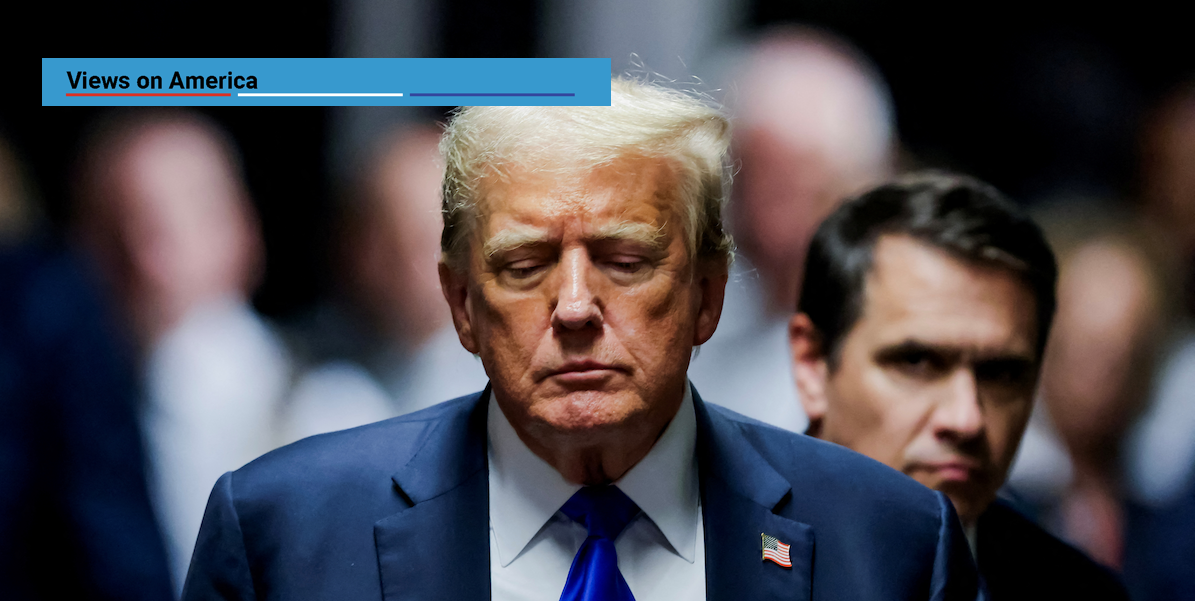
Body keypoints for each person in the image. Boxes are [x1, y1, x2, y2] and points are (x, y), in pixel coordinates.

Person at [183, 78, 978, 600]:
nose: (572, 307)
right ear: (461, 303)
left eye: (625, 260)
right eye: (523, 265)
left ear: (707, 293)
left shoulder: (888, 544)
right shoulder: (282, 537)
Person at [789, 172, 1128, 600]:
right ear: (813, 365)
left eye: (1001, 373)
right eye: (917, 362)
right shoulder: (711, 563)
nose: (967, 419)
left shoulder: (1081, 594)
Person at [73, 111, 293, 591]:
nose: (145, 262)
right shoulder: (57, 423)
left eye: (178, 225)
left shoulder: (333, 411)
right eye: (118, 229)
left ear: (244, 229)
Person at [688, 26, 897, 432]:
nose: (742, 209)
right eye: (738, 181)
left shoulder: (892, 359)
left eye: (786, 186)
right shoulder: (711, 325)